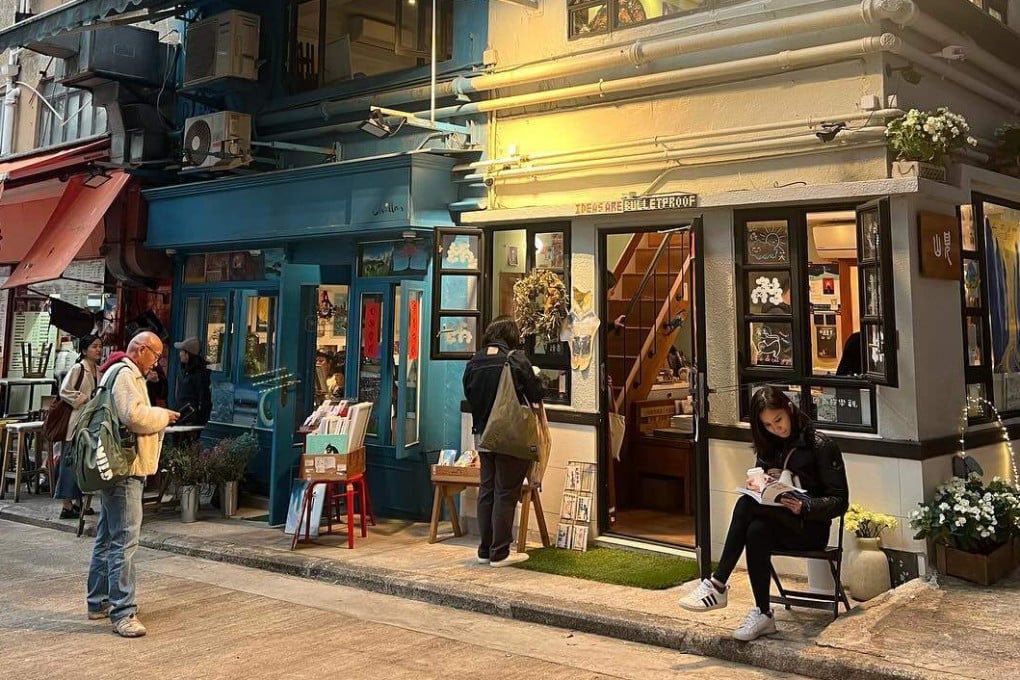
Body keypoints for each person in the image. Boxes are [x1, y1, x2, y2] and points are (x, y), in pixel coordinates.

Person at [678, 386, 849, 641]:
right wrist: (758, 485)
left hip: (810, 529)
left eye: (778, 420)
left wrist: (805, 506)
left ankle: (718, 583)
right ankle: (763, 613)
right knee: (756, 529)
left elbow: (840, 501)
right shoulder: (770, 446)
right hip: (779, 522)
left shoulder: (820, 445)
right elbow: (763, 487)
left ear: (789, 409)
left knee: (745, 506)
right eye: (768, 425)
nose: (776, 428)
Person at [86, 331, 179, 638]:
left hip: (117, 467)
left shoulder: (116, 371)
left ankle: (98, 600)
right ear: (140, 349)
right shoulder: (125, 373)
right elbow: (133, 416)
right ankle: (123, 612)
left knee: (107, 537)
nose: (156, 362)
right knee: (124, 541)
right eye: (155, 355)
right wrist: (162, 415)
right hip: (126, 467)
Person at [462, 316, 544, 568]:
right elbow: (536, 393)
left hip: (483, 435)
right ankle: (500, 552)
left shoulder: (474, 361)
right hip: (509, 435)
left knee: (487, 489)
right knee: (506, 492)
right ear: (511, 336)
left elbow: (469, 395)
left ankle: (484, 550)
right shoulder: (515, 359)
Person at [54, 334, 102, 519]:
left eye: (100, 346)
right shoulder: (78, 368)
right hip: (75, 422)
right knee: (70, 462)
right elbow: (64, 390)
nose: (98, 350)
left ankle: (79, 503)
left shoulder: (99, 370)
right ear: (84, 350)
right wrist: (83, 399)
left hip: (90, 422)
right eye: (94, 347)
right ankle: (66, 505)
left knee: (83, 463)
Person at [173, 337, 211, 425]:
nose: (180, 354)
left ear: (188, 354)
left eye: (182, 351)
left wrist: (198, 423)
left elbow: (205, 401)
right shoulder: (185, 371)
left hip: (190, 422)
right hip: (181, 418)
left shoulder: (199, 374)